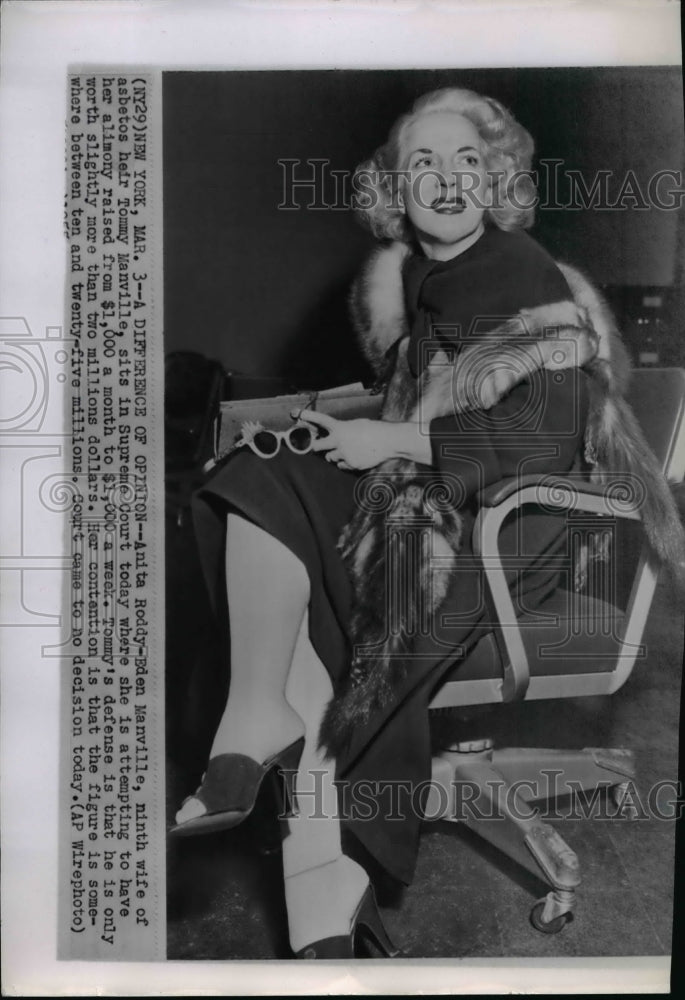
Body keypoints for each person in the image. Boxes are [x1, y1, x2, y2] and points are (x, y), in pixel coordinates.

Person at [171, 87, 597, 959]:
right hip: (436, 501)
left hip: (505, 530)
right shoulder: (432, 272)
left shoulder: (518, 272)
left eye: (466, 161)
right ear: (395, 193)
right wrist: (342, 422)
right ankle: (318, 894)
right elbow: (423, 386)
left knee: (319, 597)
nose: (446, 180)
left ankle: (319, 888)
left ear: (497, 178)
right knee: (271, 494)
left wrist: (391, 438)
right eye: (422, 166)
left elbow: (543, 437)